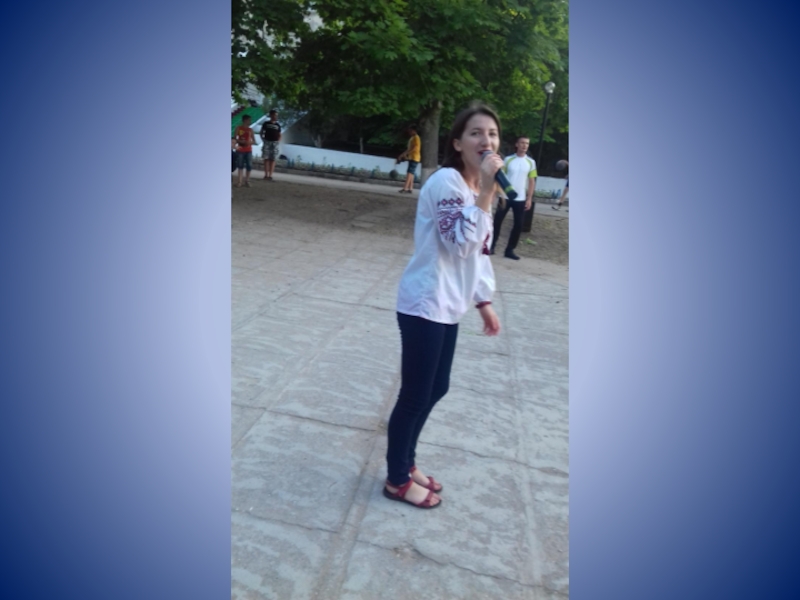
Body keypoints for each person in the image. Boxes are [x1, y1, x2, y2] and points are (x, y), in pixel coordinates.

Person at [385, 105, 503, 509]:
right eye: (475, 133)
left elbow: (480, 255)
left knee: (437, 388)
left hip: (450, 304)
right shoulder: (447, 183)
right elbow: (460, 243)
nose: (486, 140)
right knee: (415, 395)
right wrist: (486, 192)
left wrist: (483, 301)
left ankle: (407, 462)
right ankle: (396, 479)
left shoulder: (476, 188)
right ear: (457, 143)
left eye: (492, 134)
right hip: (425, 301)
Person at [490, 136, 537, 260]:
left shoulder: (531, 162)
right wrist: (496, 193)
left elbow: (531, 181)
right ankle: (491, 246)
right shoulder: (508, 159)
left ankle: (509, 250)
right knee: (497, 222)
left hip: (520, 198)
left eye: (527, 143)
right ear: (517, 144)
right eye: (522, 143)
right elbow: (501, 177)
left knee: (518, 225)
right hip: (505, 196)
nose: (524, 145)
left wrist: (529, 198)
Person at [396, 125, 421, 193]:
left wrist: (407, 153)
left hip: (414, 157)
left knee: (409, 173)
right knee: (411, 173)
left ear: (414, 130)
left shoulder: (416, 138)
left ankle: (405, 188)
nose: (409, 132)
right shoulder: (412, 138)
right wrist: (403, 154)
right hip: (412, 157)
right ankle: (410, 188)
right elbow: (409, 148)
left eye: (411, 130)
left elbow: (415, 148)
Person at [233, 114, 255, 187]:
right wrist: (240, 141)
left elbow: (254, 141)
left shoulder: (250, 130)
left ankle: (247, 180)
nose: (250, 121)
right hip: (240, 149)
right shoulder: (238, 128)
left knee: (249, 165)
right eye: (249, 120)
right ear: (245, 120)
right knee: (240, 165)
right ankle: (240, 181)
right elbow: (234, 138)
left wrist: (249, 142)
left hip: (248, 149)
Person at [260, 109, 282, 180]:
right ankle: (266, 174)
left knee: (273, 159)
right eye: (275, 115)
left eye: (277, 115)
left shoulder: (277, 125)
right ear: (271, 115)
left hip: (274, 143)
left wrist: (278, 141)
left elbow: (280, 134)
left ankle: (270, 175)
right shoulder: (266, 123)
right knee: (266, 158)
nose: (276, 117)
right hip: (267, 142)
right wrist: (263, 139)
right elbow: (261, 132)